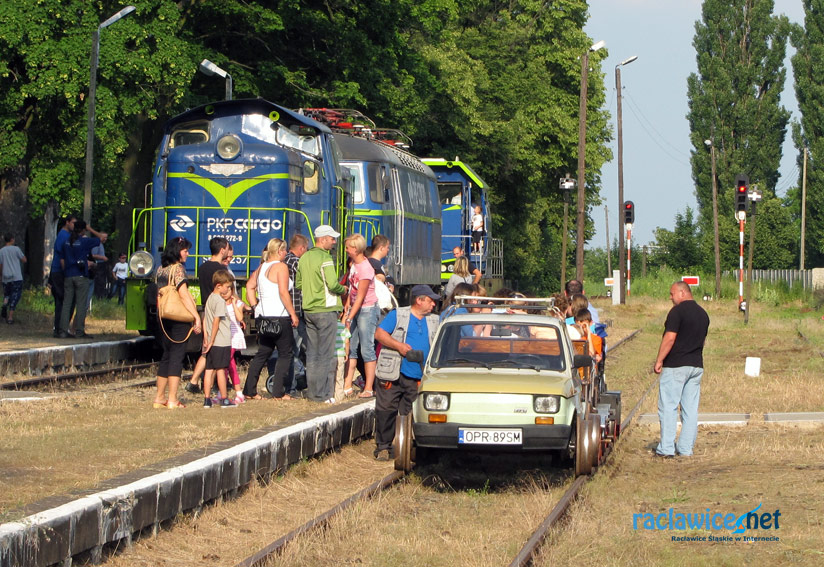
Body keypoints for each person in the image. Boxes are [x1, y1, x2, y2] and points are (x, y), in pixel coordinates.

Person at [372, 285, 441, 461]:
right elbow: (379, 334)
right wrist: (399, 346)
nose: (433, 304)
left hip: (419, 375)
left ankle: (410, 448)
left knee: (412, 413)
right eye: (430, 300)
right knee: (385, 410)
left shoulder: (435, 320)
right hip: (393, 372)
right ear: (419, 300)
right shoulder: (398, 314)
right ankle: (383, 447)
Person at [654, 281, 710, 458]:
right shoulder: (703, 314)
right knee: (690, 409)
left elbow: (670, 338)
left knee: (668, 407)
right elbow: (702, 341)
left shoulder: (677, 312)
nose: (670, 298)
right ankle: (686, 449)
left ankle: (667, 448)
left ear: (682, 293)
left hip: (676, 365)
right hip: (696, 366)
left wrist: (659, 360)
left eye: (672, 294)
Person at [296, 225, 347, 403]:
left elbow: (299, 283)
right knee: (325, 354)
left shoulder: (304, 258)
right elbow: (333, 284)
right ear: (323, 239)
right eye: (332, 238)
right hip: (326, 309)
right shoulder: (325, 258)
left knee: (312, 353)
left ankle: (312, 393)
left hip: (308, 310)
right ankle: (324, 394)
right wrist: (344, 289)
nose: (334, 242)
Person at [243, 238, 299, 400]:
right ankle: (278, 392)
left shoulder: (261, 267)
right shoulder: (281, 267)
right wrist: (293, 314)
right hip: (279, 316)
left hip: (263, 317)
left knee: (263, 353)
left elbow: (249, 286)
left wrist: (255, 306)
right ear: (280, 251)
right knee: (285, 354)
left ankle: (249, 390)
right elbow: (283, 292)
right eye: (285, 250)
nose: (287, 253)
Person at [152, 236, 201, 409]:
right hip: (178, 318)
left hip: (163, 317)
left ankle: (159, 398)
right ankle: (172, 399)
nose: (187, 254)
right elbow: (183, 294)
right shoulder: (178, 269)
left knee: (166, 356)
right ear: (177, 251)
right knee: (177, 356)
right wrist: (196, 316)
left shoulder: (160, 270)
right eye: (185, 250)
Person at [185, 237, 230, 395]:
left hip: (205, 307)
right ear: (222, 250)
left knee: (208, 348)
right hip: (216, 310)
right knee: (212, 348)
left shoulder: (202, 267)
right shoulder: (220, 270)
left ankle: (197, 381)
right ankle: (195, 381)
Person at [341, 234, 380, 399]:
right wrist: (347, 308)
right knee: (352, 348)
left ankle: (370, 387)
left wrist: (349, 317)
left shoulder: (365, 268)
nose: (346, 250)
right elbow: (352, 291)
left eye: (348, 247)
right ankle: (347, 384)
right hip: (356, 309)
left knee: (367, 348)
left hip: (367, 309)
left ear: (355, 249)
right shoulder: (354, 266)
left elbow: (362, 296)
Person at [59, 221, 103, 338]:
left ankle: (63, 330)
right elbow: (102, 238)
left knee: (67, 304)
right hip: (80, 275)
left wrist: (65, 272)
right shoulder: (84, 241)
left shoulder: (66, 242)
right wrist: (91, 229)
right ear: (83, 230)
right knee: (81, 303)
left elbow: (62, 260)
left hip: (68, 275)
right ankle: (79, 331)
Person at [201, 270, 237, 409]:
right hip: (220, 341)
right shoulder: (220, 301)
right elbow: (216, 322)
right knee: (221, 369)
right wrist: (212, 339)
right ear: (218, 285)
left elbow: (206, 320)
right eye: (227, 287)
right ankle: (224, 399)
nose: (228, 290)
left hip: (210, 340)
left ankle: (207, 399)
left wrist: (206, 337)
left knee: (209, 370)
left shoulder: (210, 298)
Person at [284, 233, 310, 397]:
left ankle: (295, 382)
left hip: (284, 311)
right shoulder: (296, 262)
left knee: (290, 349)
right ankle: (292, 386)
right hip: (295, 310)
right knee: (295, 349)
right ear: (301, 248)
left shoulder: (283, 260)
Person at [49, 214, 76, 337]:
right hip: (60, 272)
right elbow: (62, 257)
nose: (74, 226)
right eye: (73, 223)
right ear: (67, 222)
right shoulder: (63, 236)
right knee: (64, 300)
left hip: (59, 271)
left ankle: (62, 328)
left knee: (65, 300)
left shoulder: (67, 236)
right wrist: (67, 272)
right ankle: (60, 328)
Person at [0, 234, 27, 324]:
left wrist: (1, 274)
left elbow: (1, 264)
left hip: (5, 276)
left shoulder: (2, 251)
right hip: (16, 277)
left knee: (7, 294)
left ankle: (4, 304)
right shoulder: (16, 249)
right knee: (15, 296)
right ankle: (10, 317)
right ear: (12, 239)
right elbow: (24, 260)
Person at [88, 233, 108, 304]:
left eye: (106, 237)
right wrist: (102, 257)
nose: (105, 239)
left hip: (102, 264)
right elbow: (93, 255)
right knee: (98, 281)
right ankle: (98, 296)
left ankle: (101, 296)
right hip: (98, 264)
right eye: (104, 237)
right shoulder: (97, 244)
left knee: (102, 281)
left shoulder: (101, 244)